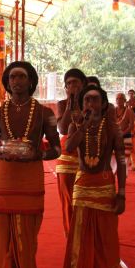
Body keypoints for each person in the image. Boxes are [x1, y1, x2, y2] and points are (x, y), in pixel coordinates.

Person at [0, 61, 61, 268]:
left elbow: (57, 149)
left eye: (21, 77)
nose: (16, 81)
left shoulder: (44, 113)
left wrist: (37, 154)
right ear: (7, 83)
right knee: (4, 242)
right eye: (12, 77)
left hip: (30, 181)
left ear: (31, 82)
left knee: (26, 241)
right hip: (6, 180)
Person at [61, 84, 126, 268]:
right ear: (82, 104)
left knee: (106, 232)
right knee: (81, 234)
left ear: (103, 104)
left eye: (95, 99)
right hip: (83, 184)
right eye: (87, 100)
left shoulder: (112, 128)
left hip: (105, 184)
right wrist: (84, 126)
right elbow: (69, 147)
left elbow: (122, 161)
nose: (90, 103)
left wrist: (122, 193)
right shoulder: (75, 126)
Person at [56, 69, 87, 235]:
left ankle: (85, 237)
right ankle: (71, 238)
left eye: (75, 82)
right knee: (68, 201)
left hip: (87, 157)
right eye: (68, 83)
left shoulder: (91, 103)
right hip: (67, 158)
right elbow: (62, 128)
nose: (72, 86)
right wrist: (70, 104)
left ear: (83, 85)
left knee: (85, 201)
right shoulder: (62, 104)